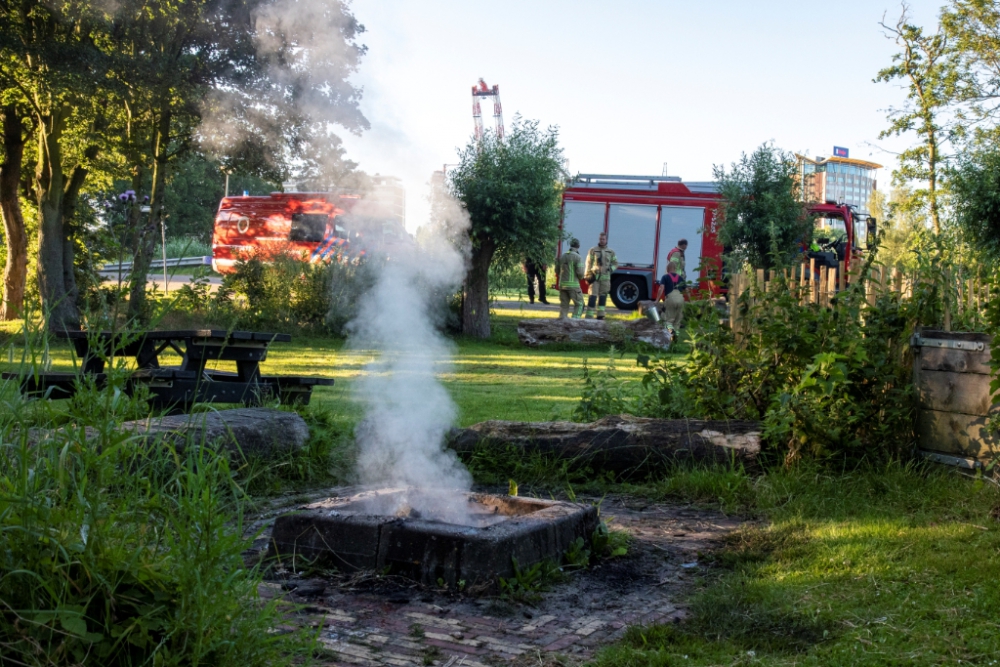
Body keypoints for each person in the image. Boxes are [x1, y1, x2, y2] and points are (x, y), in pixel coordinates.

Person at [584, 232, 618, 319]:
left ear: (606, 240)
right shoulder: (593, 250)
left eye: (603, 239)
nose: (602, 241)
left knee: (603, 297)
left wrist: (611, 269)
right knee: (592, 296)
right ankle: (589, 316)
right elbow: (588, 263)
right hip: (595, 278)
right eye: (600, 239)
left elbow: (615, 263)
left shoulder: (611, 252)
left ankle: (600, 315)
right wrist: (587, 275)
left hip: (605, 279)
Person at [556, 238, 585, 319]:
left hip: (562, 285)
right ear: (578, 246)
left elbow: (557, 271)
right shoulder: (578, 257)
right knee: (579, 304)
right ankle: (575, 321)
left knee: (564, 305)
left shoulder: (562, 256)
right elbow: (580, 273)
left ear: (570, 245)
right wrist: (580, 278)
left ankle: (562, 322)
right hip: (574, 286)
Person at [658, 260, 685, 330]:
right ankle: (676, 338)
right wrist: (691, 301)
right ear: (675, 269)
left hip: (671, 299)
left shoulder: (665, 277)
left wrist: (657, 300)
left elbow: (661, 288)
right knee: (677, 322)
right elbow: (687, 290)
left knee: (668, 320)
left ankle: (670, 333)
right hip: (681, 299)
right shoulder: (680, 278)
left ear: (667, 269)